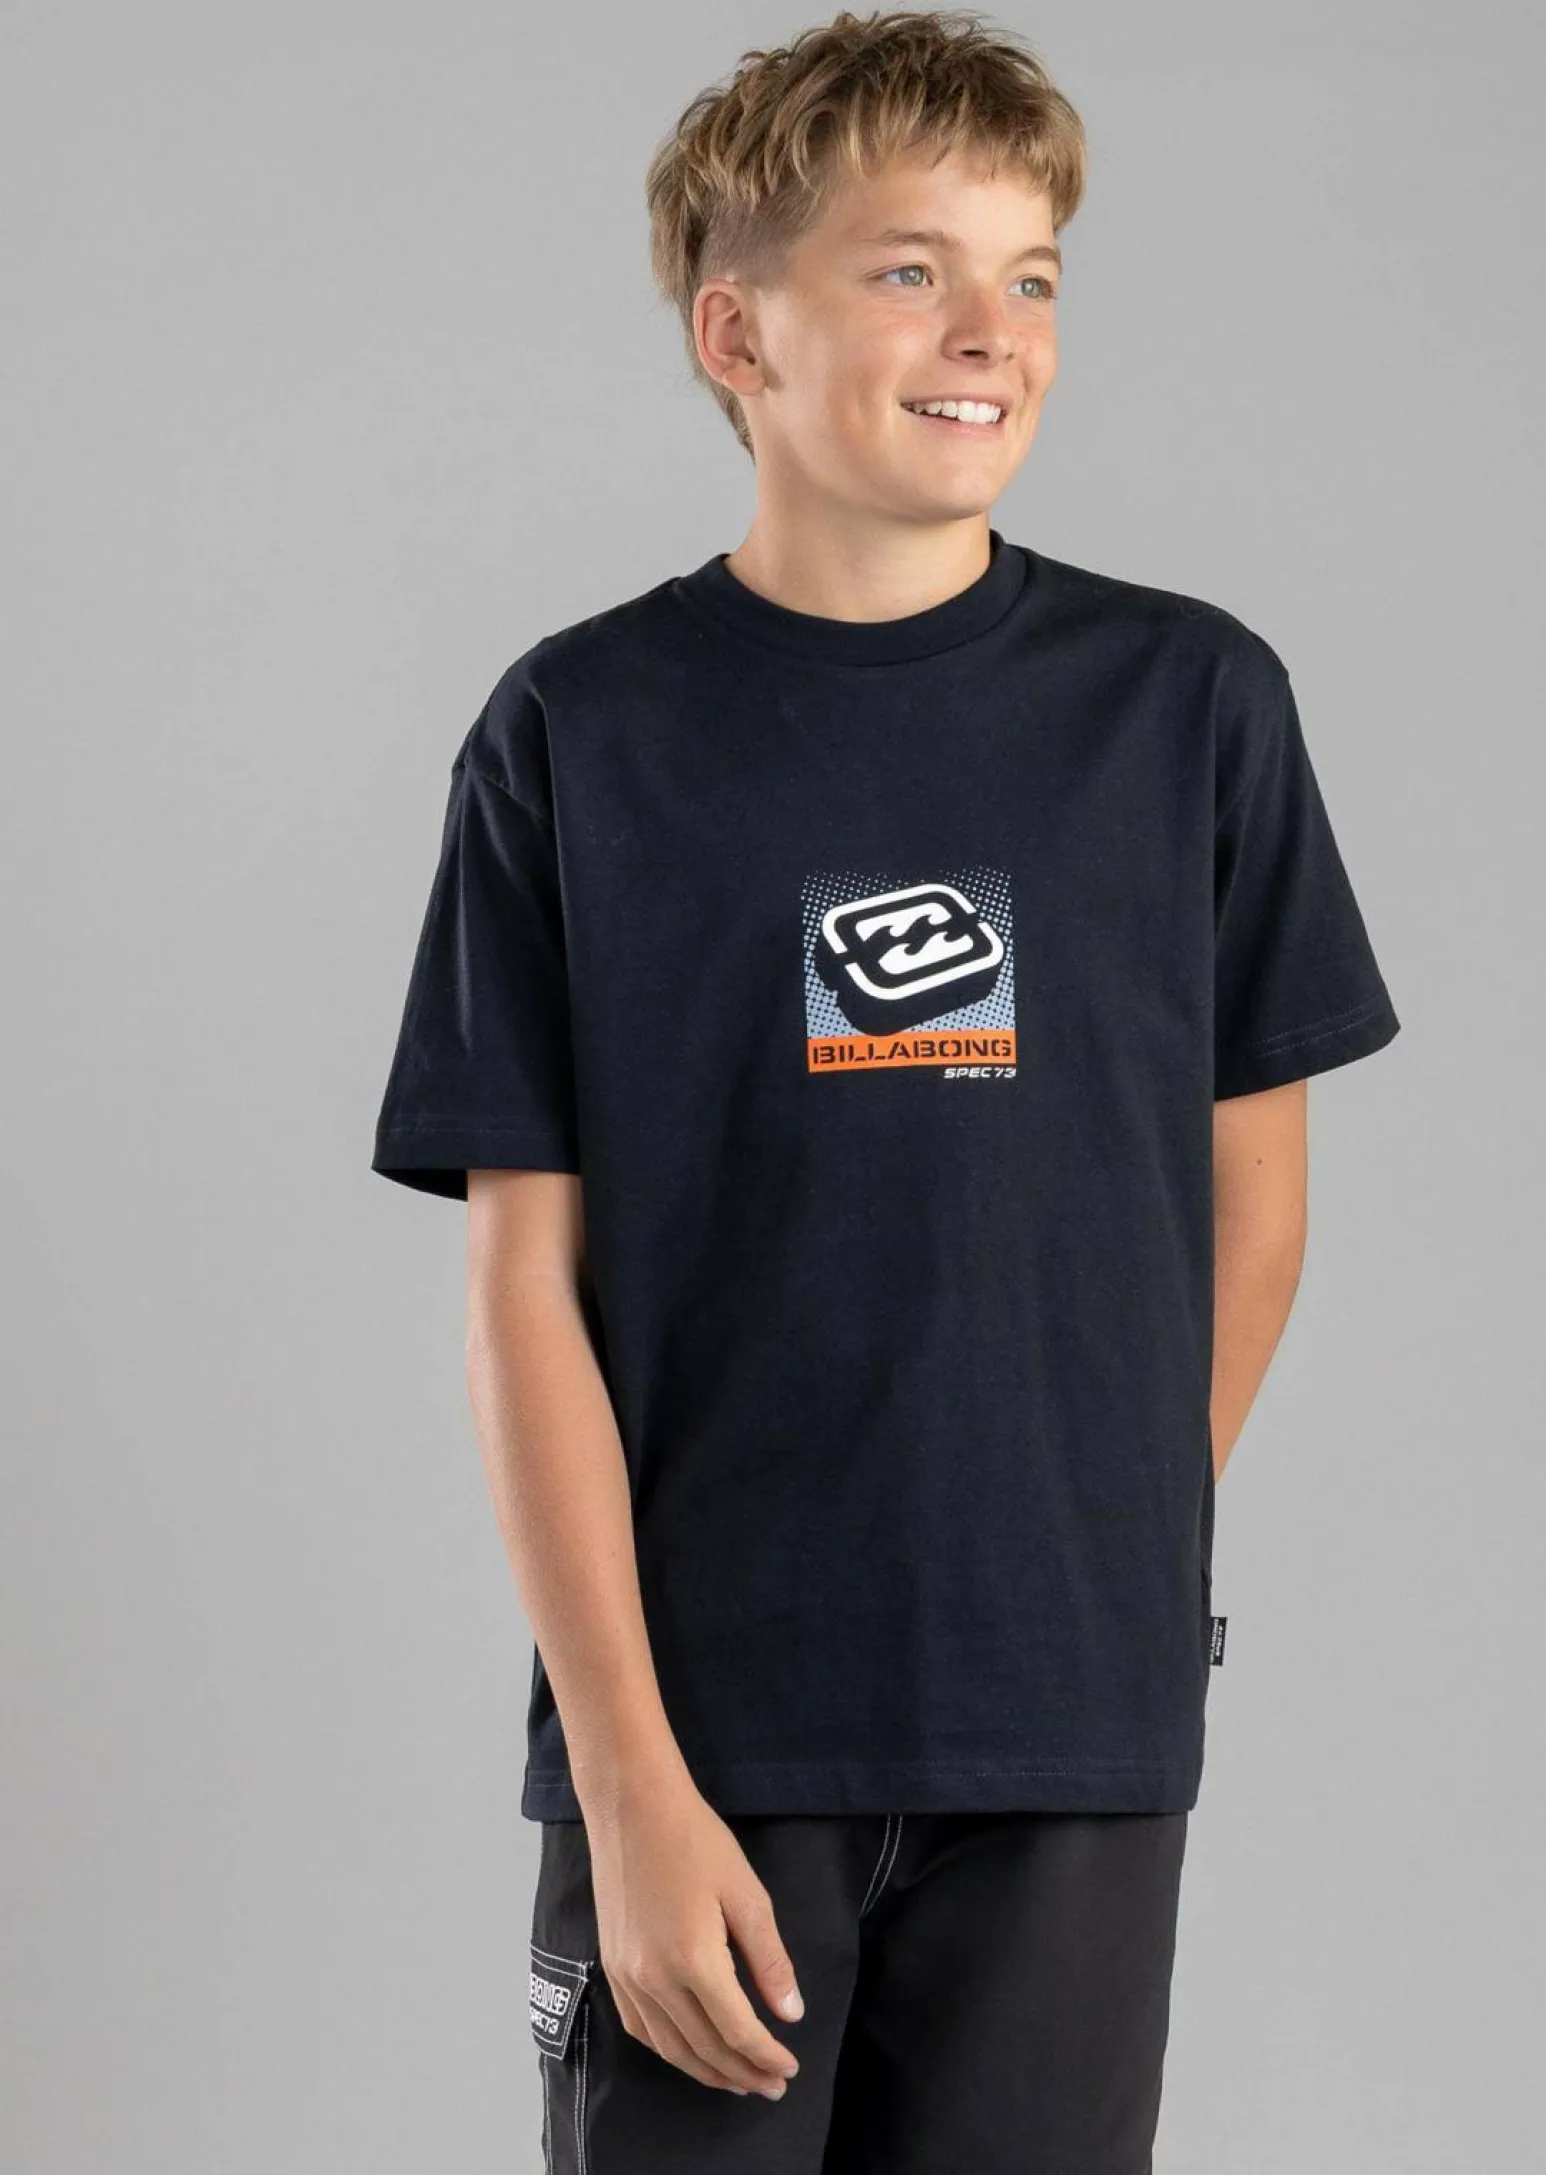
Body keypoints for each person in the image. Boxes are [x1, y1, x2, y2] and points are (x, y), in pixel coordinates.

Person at [369, 11, 1401, 2171]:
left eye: (1031, 277)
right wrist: (631, 1781)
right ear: (736, 331)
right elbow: (522, 1291)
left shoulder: (1191, 709)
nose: (989, 332)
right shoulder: (577, 735)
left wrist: (1083, 1542)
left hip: (1072, 1729)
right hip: (706, 1736)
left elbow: (1256, 1211)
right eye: (911, 269)